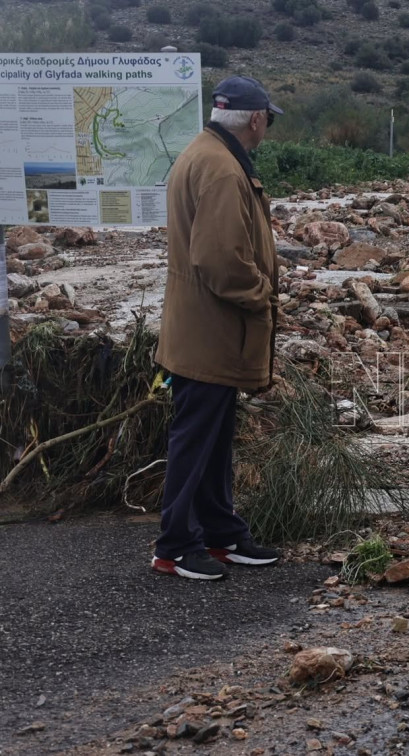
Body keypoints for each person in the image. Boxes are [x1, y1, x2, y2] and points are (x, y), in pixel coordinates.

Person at [152, 75, 284, 581]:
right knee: (195, 438)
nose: (266, 127)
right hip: (211, 331)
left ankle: (222, 533)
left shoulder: (201, 152)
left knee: (211, 436)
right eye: (267, 120)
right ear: (255, 120)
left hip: (201, 329)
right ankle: (176, 545)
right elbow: (219, 260)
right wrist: (262, 296)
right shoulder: (223, 170)